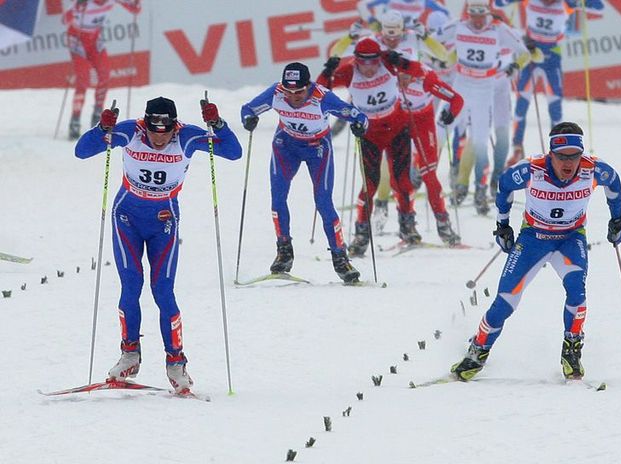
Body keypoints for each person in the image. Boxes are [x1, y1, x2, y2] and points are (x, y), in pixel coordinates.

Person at [75, 96, 242, 393]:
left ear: (174, 126)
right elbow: (82, 151)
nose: (159, 137)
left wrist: (217, 124)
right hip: (127, 215)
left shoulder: (188, 136)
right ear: (146, 123)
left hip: (164, 220)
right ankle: (129, 354)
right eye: (154, 130)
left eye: (166, 132)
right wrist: (102, 128)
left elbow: (233, 152)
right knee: (130, 286)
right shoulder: (130, 131)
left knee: (163, 291)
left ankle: (176, 363)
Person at [450, 122, 621, 382]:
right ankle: (478, 349)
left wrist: (618, 219)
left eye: (575, 156)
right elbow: (504, 185)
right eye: (562, 157)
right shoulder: (531, 170)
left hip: (570, 237)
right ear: (550, 154)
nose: (569, 163)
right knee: (506, 301)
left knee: (577, 291)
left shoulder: (594, 169)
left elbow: (614, 184)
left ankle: (572, 349)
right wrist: (503, 226)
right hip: (534, 238)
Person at [319, 38, 452, 256]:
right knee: (370, 186)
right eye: (364, 62)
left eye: (374, 62)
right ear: (357, 60)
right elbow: (322, 90)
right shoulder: (349, 70)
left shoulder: (388, 63)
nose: (369, 68)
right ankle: (361, 234)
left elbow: (418, 70)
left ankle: (407, 226)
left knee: (403, 183)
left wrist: (402, 62)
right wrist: (328, 71)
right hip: (370, 133)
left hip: (398, 129)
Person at [240, 62, 368, 283]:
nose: (293, 97)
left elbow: (358, 116)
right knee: (278, 198)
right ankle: (284, 251)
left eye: (299, 91)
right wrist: (249, 119)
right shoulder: (276, 92)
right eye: (289, 91)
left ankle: (340, 257)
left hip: (317, 148)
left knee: (323, 202)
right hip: (285, 145)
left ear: (308, 85)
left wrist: (359, 126)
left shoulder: (322, 97)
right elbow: (248, 109)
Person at [444, 0, 529, 215]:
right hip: (481, 88)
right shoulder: (472, 34)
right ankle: (464, 183)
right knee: (474, 137)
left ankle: (495, 181)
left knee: (501, 138)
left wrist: (519, 62)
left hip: (499, 91)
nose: (482, 24)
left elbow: (528, 52)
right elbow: (454, 55)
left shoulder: (504, 32)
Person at [494, 0, 604, 162]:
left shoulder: (566, 3)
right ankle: (517, 147)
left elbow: (599, 8)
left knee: (555, 109)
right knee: (521, 105)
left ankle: (558, 151)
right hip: (531, 54)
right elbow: (498, 4)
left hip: (552, 58)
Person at [63, 0, 141, 140]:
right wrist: (77, 9)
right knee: (83, 78)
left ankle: (97, 114)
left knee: (104, 73)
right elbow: (65, 19)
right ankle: (75, 119)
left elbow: (135, 9)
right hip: (77, 38)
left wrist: (135, 4)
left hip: (94, 39)